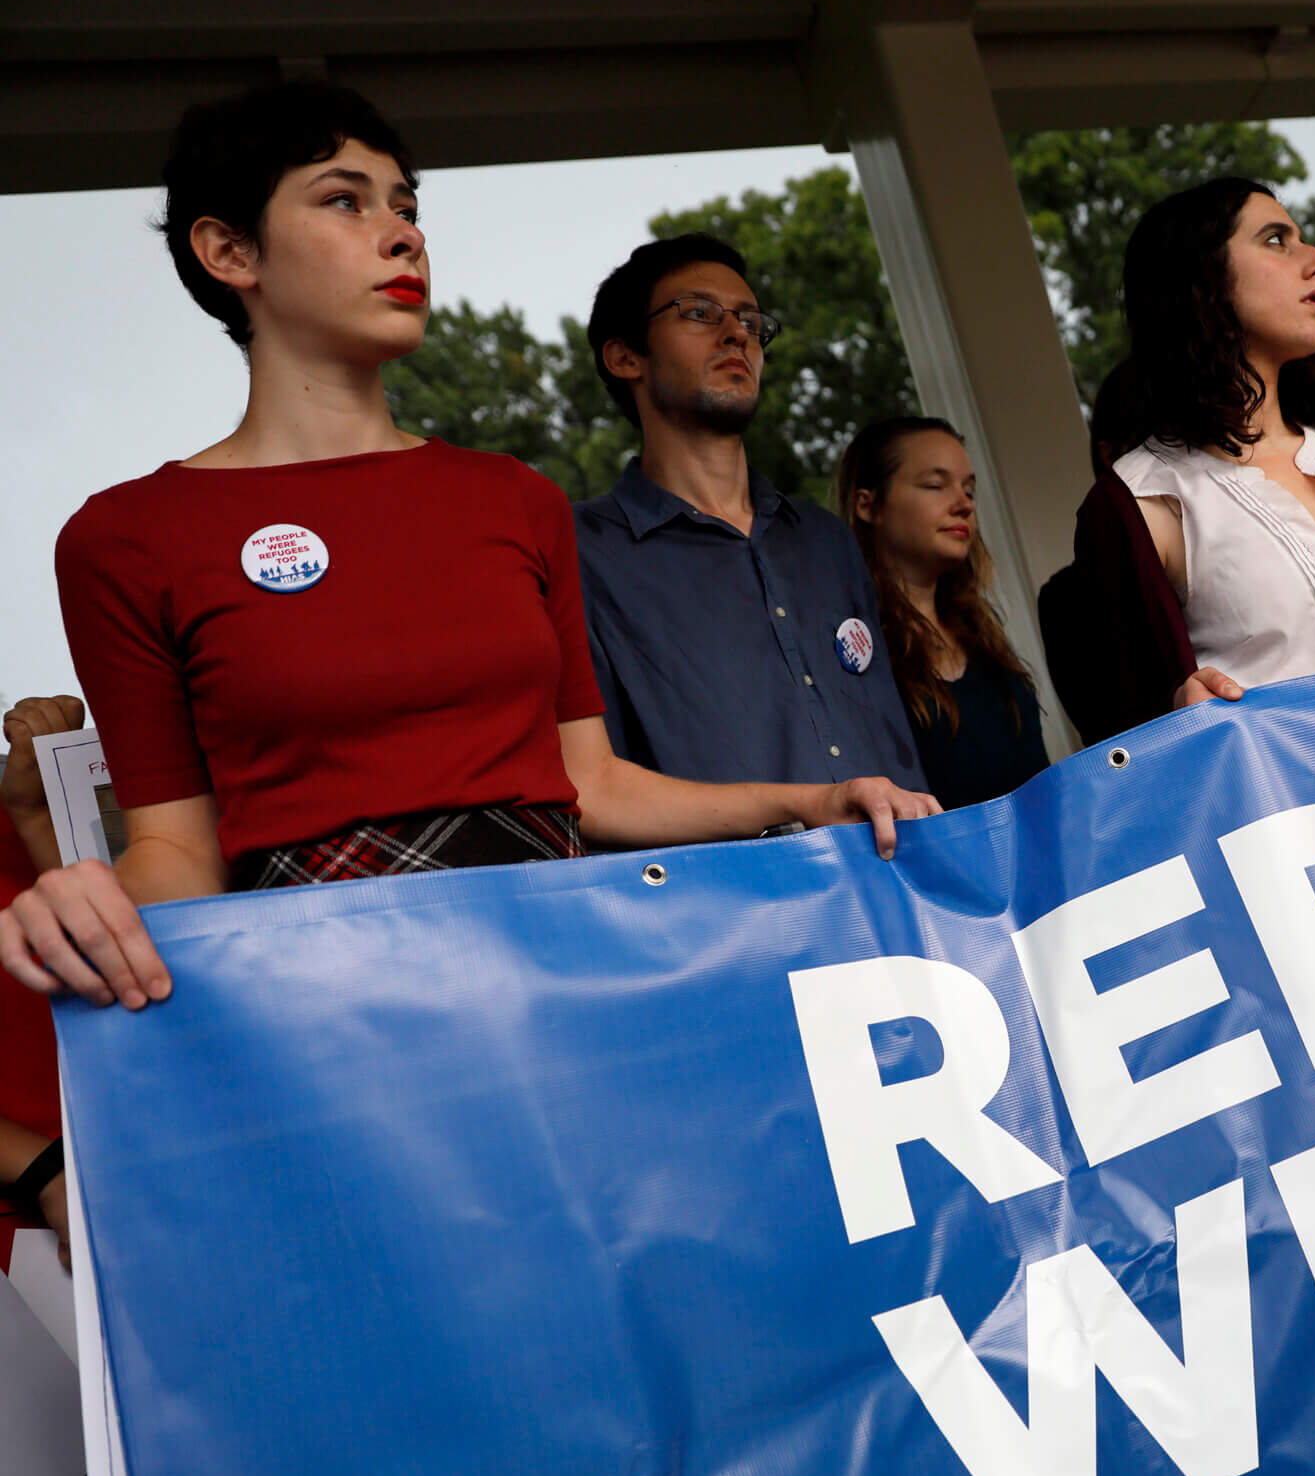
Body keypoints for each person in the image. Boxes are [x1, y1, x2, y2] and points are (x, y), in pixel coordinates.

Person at [0, 82, 924, 1020]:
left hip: (574, 977)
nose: (401, 235)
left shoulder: (515, 498)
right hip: (327, 1016)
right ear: (229, 250)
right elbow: (180, 850)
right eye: (343, 199)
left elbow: (590, 785)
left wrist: (811, 801)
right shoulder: (124, 539)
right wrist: (85, 900)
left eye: (406, 207)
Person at [571, 235, 939, 830]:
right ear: (624, 357)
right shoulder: (580, 552)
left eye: (749, 320)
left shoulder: (825, 540)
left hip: (902, 882)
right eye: (698, 313)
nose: (736, 333)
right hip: (735, 912)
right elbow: (591, 790)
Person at [1065, 177, 1315, 739]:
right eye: (1277, 240)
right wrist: (1175, 711)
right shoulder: (1139, 502)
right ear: (1201, 279)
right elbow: (1125, 742)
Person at [837, 418, 1050, 808]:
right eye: (935, 486)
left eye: (969, 489)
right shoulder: (852, 649)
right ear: (868, 504)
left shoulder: (982, 631)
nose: (964, 504)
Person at [0, 694, 80, 1269]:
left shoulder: (35, 789)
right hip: (34, 1228)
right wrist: (44, 1173)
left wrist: (53, 809)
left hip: (156, 1162)